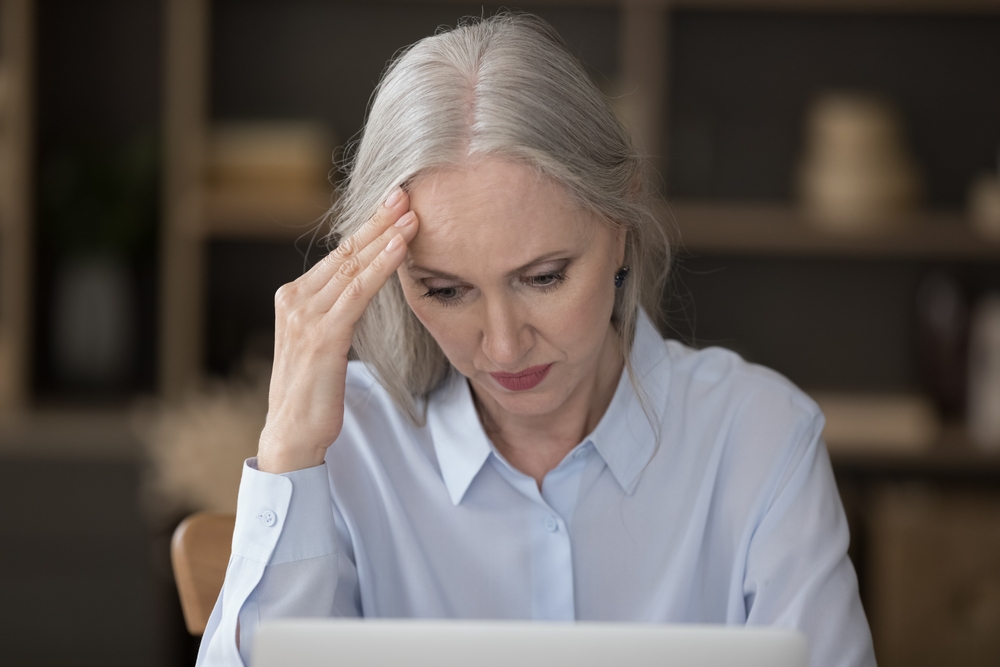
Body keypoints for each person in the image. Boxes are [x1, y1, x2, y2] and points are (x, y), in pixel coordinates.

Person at [197, 13, 876, 667]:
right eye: (445, 289)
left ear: (620, 222)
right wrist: (288, 452)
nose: (501, 346)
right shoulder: (347, 448)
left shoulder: (761, 440)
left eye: (544, 277)